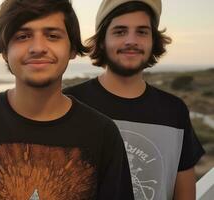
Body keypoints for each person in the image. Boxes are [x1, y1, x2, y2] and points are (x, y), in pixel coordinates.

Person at [0, 0, 134, 199]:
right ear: (4, 50)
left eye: (52, 35)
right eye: (23, 36)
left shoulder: (102, 133)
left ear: (71, 49)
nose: (37, 48)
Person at [64, 0, 205, 199]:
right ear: (102, 41)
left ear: (153, 41)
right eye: (120, 32)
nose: (131, 41)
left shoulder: (174, 111)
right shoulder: (71, 102)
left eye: (142, 32)